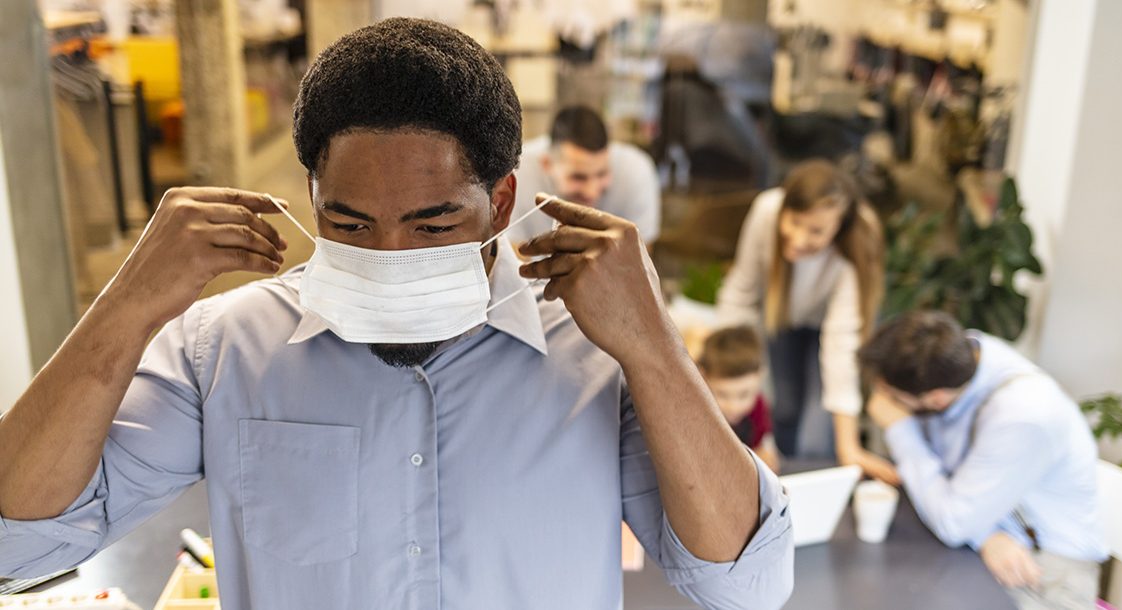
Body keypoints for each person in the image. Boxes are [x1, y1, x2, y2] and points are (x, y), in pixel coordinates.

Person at [0, 19, 794, 610]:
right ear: (312, 198)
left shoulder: (596, 356)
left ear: (502, 202)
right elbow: (20, 536)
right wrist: (126, 307)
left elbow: (747, 583)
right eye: (349, 224)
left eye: (432, 225)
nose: (387, 256)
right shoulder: (224, 350)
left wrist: (652, 345)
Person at [860, 311, 1108, 610]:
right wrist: (986, 535)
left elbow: (953, 523)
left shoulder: (1023, 416)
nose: (882, 401)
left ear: (937, 398)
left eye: (892, 396)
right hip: (993, 537)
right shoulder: (963, 356)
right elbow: (960, 513)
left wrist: (900, 429)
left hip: (1043, 572)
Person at [717, 159, 897, 484]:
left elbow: (840, 347)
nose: (799, 239)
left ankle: (816, 495)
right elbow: (742, 291)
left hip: (833, 329)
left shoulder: (857, 243)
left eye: (816, 231)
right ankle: (780, 495)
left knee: (818, 425)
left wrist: (850, 448)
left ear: (839, 228)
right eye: (795, 222)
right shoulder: (765, 212)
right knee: (783, 407)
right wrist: (723, 361)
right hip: (784, 317)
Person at [507, 105, 661, 247]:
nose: (591, 192)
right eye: (578, 177)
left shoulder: (636, 172)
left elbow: (639, 261)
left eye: (602, 174)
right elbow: (512, 259)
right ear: (547, 164)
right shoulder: (517, 173)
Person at [696, 326, 782, 473]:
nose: (733, 406)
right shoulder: (696, 413)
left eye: (744, 394)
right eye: (722, 394)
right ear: (703, 377)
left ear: (760, 376)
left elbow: (762, 449)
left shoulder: (759, 407)